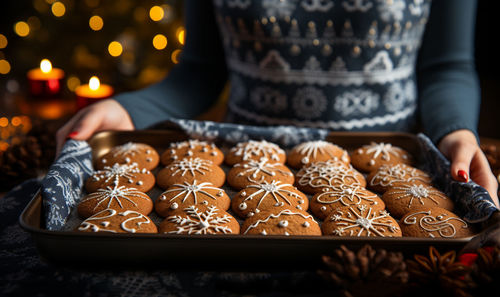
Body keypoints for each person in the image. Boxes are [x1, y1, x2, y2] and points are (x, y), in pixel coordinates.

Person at [56, 0, 499, 208]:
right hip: (242, 166)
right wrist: (128, 111)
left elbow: (448, 65)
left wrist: (457, 132)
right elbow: (199, 71)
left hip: (386, 168)